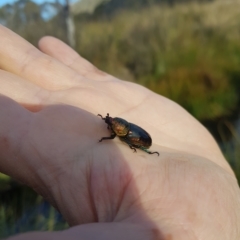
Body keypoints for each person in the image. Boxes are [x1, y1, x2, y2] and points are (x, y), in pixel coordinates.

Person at [0, 24, 239, 240]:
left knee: (135, 143)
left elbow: (124, 135)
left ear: (118, 128)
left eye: (112, 125)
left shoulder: (123, 133)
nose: (110, 125)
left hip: (141, 137)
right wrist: (108, 121)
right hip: (135, 130)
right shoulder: (118, 124)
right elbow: (114, 124)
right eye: (111, 124)